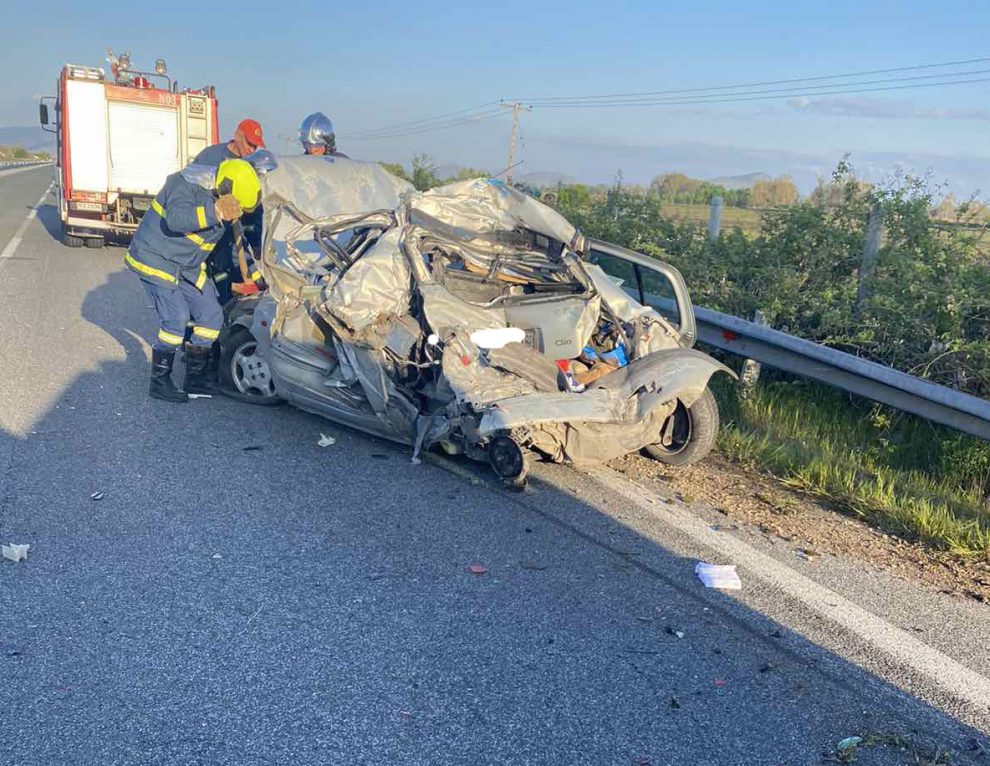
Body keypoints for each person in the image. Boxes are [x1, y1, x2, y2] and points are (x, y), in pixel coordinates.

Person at [126, 159, 261, 402]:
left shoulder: (225, 197)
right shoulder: (185, 184)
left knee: (211, 315)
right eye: (236, 204)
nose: (236, 209)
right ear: (225, 187)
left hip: (186, 264)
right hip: (156, 257)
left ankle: (196, 379)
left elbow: (232, 246)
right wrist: (216, 211)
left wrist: (256, 275)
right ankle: (160, 382)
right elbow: (176, 220)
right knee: (175, 318)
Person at [194, 119, 268, 300]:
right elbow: (194, 192)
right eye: (250, 144)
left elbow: (253, 207)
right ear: (237, 136)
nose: (252, 150)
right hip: (210, 229)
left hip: (233, 234)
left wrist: (256, 242)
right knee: (214, 276)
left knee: (235, 275)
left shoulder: (247, 165)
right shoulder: (211, 157)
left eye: (255, 147)